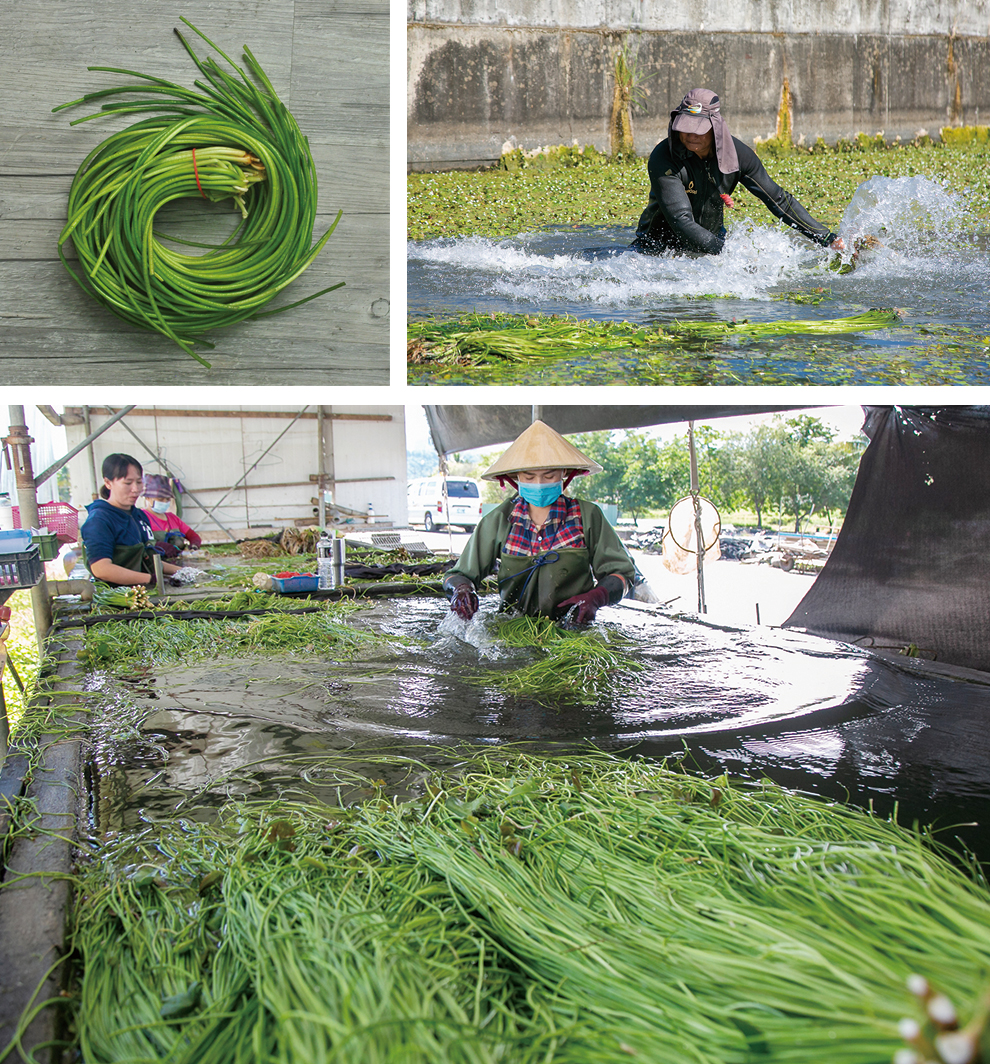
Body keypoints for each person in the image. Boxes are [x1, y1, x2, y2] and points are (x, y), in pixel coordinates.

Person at [442, 421, 637, 623]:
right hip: (512, 632)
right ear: (515, 477)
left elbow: (622, 573)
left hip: (574, 631)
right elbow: (457, 574)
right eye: (529, 476)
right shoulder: (499, 521)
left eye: (549, 475)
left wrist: (597, 597)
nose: (539, 483)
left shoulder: (588, 516)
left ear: (564, 473)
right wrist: (462, 590)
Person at [631, 88, 845, 256]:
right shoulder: (664, 157)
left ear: (715, 126)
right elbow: (681, 220)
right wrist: (729, 255)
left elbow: (778, 200)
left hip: (712, 250)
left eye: (698, 128)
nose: (690, 135)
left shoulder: (738, 155)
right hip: (658, 251)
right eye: (685, 127)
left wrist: (827, 239)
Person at [81, 454, 181, 587]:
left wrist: (181, 571)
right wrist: (151, 579)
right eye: (127, 483)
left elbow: (145, 558)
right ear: (108, 483)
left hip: (142, 591)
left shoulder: (138, 515)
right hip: (119, 598)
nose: (135, 489)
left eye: (139, 482)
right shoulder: (99, 520)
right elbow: (101, 569)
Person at [141, 473, 202, 557]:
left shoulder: (172, 518)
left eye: (167, 499)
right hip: (156, 564)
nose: (165, 502)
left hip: (177, 561)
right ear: (148, 498)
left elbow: (193, 536)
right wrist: (161, 546)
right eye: (160, 499)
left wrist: (194, 545)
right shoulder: (141, 517)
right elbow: (142, 543)